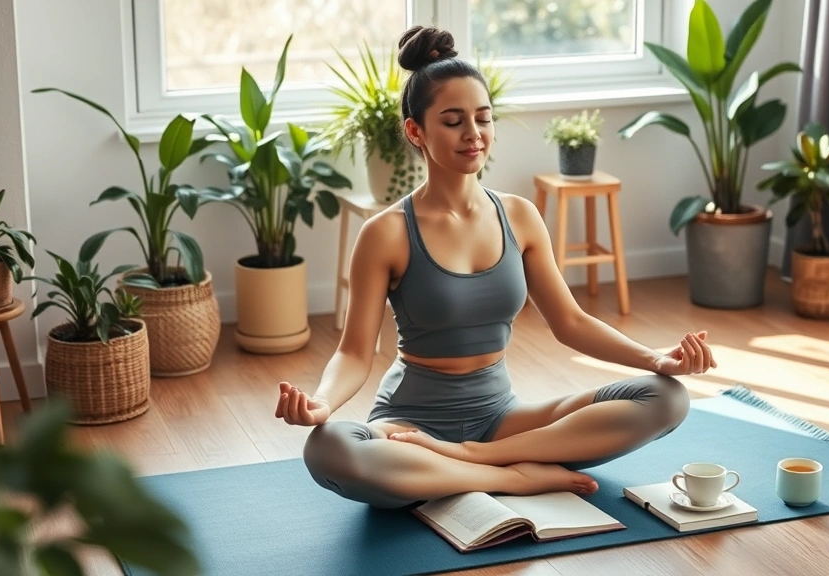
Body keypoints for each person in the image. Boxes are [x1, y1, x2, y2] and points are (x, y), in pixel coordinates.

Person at [274, 25, 717, 509]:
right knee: (328, 449)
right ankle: (512, 479)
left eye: (483, 119)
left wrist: (657, 359)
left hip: (503, 420)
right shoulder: (386, 233)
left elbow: (570, 323)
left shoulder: (519, 216)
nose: (474, 134)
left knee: (667, 398)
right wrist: (322, 403)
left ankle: (476, 459)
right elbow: (355, 353)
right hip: (410, 425)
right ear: (415, 130)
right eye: (453, 120)